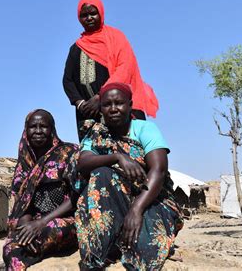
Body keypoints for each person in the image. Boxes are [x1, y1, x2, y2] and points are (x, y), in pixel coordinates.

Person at [73, 82, 183, 270]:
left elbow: (159, 170)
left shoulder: (144, 129)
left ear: (130, 105)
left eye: (119, 103)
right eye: (107, 104)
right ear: (101, 108)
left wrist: (136, 210)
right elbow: (83, 163)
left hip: (150, 198)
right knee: (102, 174)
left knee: (145, 248)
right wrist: (117, 157)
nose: (113, 109)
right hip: (115, 201)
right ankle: (96, 256)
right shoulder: (95, 134)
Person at [62, 0, 159, 141]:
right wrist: (80, 103)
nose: (89, 18)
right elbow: (68, 80)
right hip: (88, 113)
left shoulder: (115, 37)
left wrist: (101, 97)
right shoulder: (76, 48)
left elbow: (125, 67)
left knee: (128, 149)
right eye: (84, 15)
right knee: (94, 154)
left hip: (116, 107)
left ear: (101, 13)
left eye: (93, 13)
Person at [2, 109, 78, 270]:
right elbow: (22, 204)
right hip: (34, 220)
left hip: (65, 219)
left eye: (43, 126)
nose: (38, 131)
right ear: (26, 130)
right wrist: (26, 228)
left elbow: (77, 196)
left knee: (39, 235)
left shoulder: (69, 153)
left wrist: (41, 223)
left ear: (52, 130)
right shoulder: (25, 163)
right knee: (13, 245)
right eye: (33, 126)